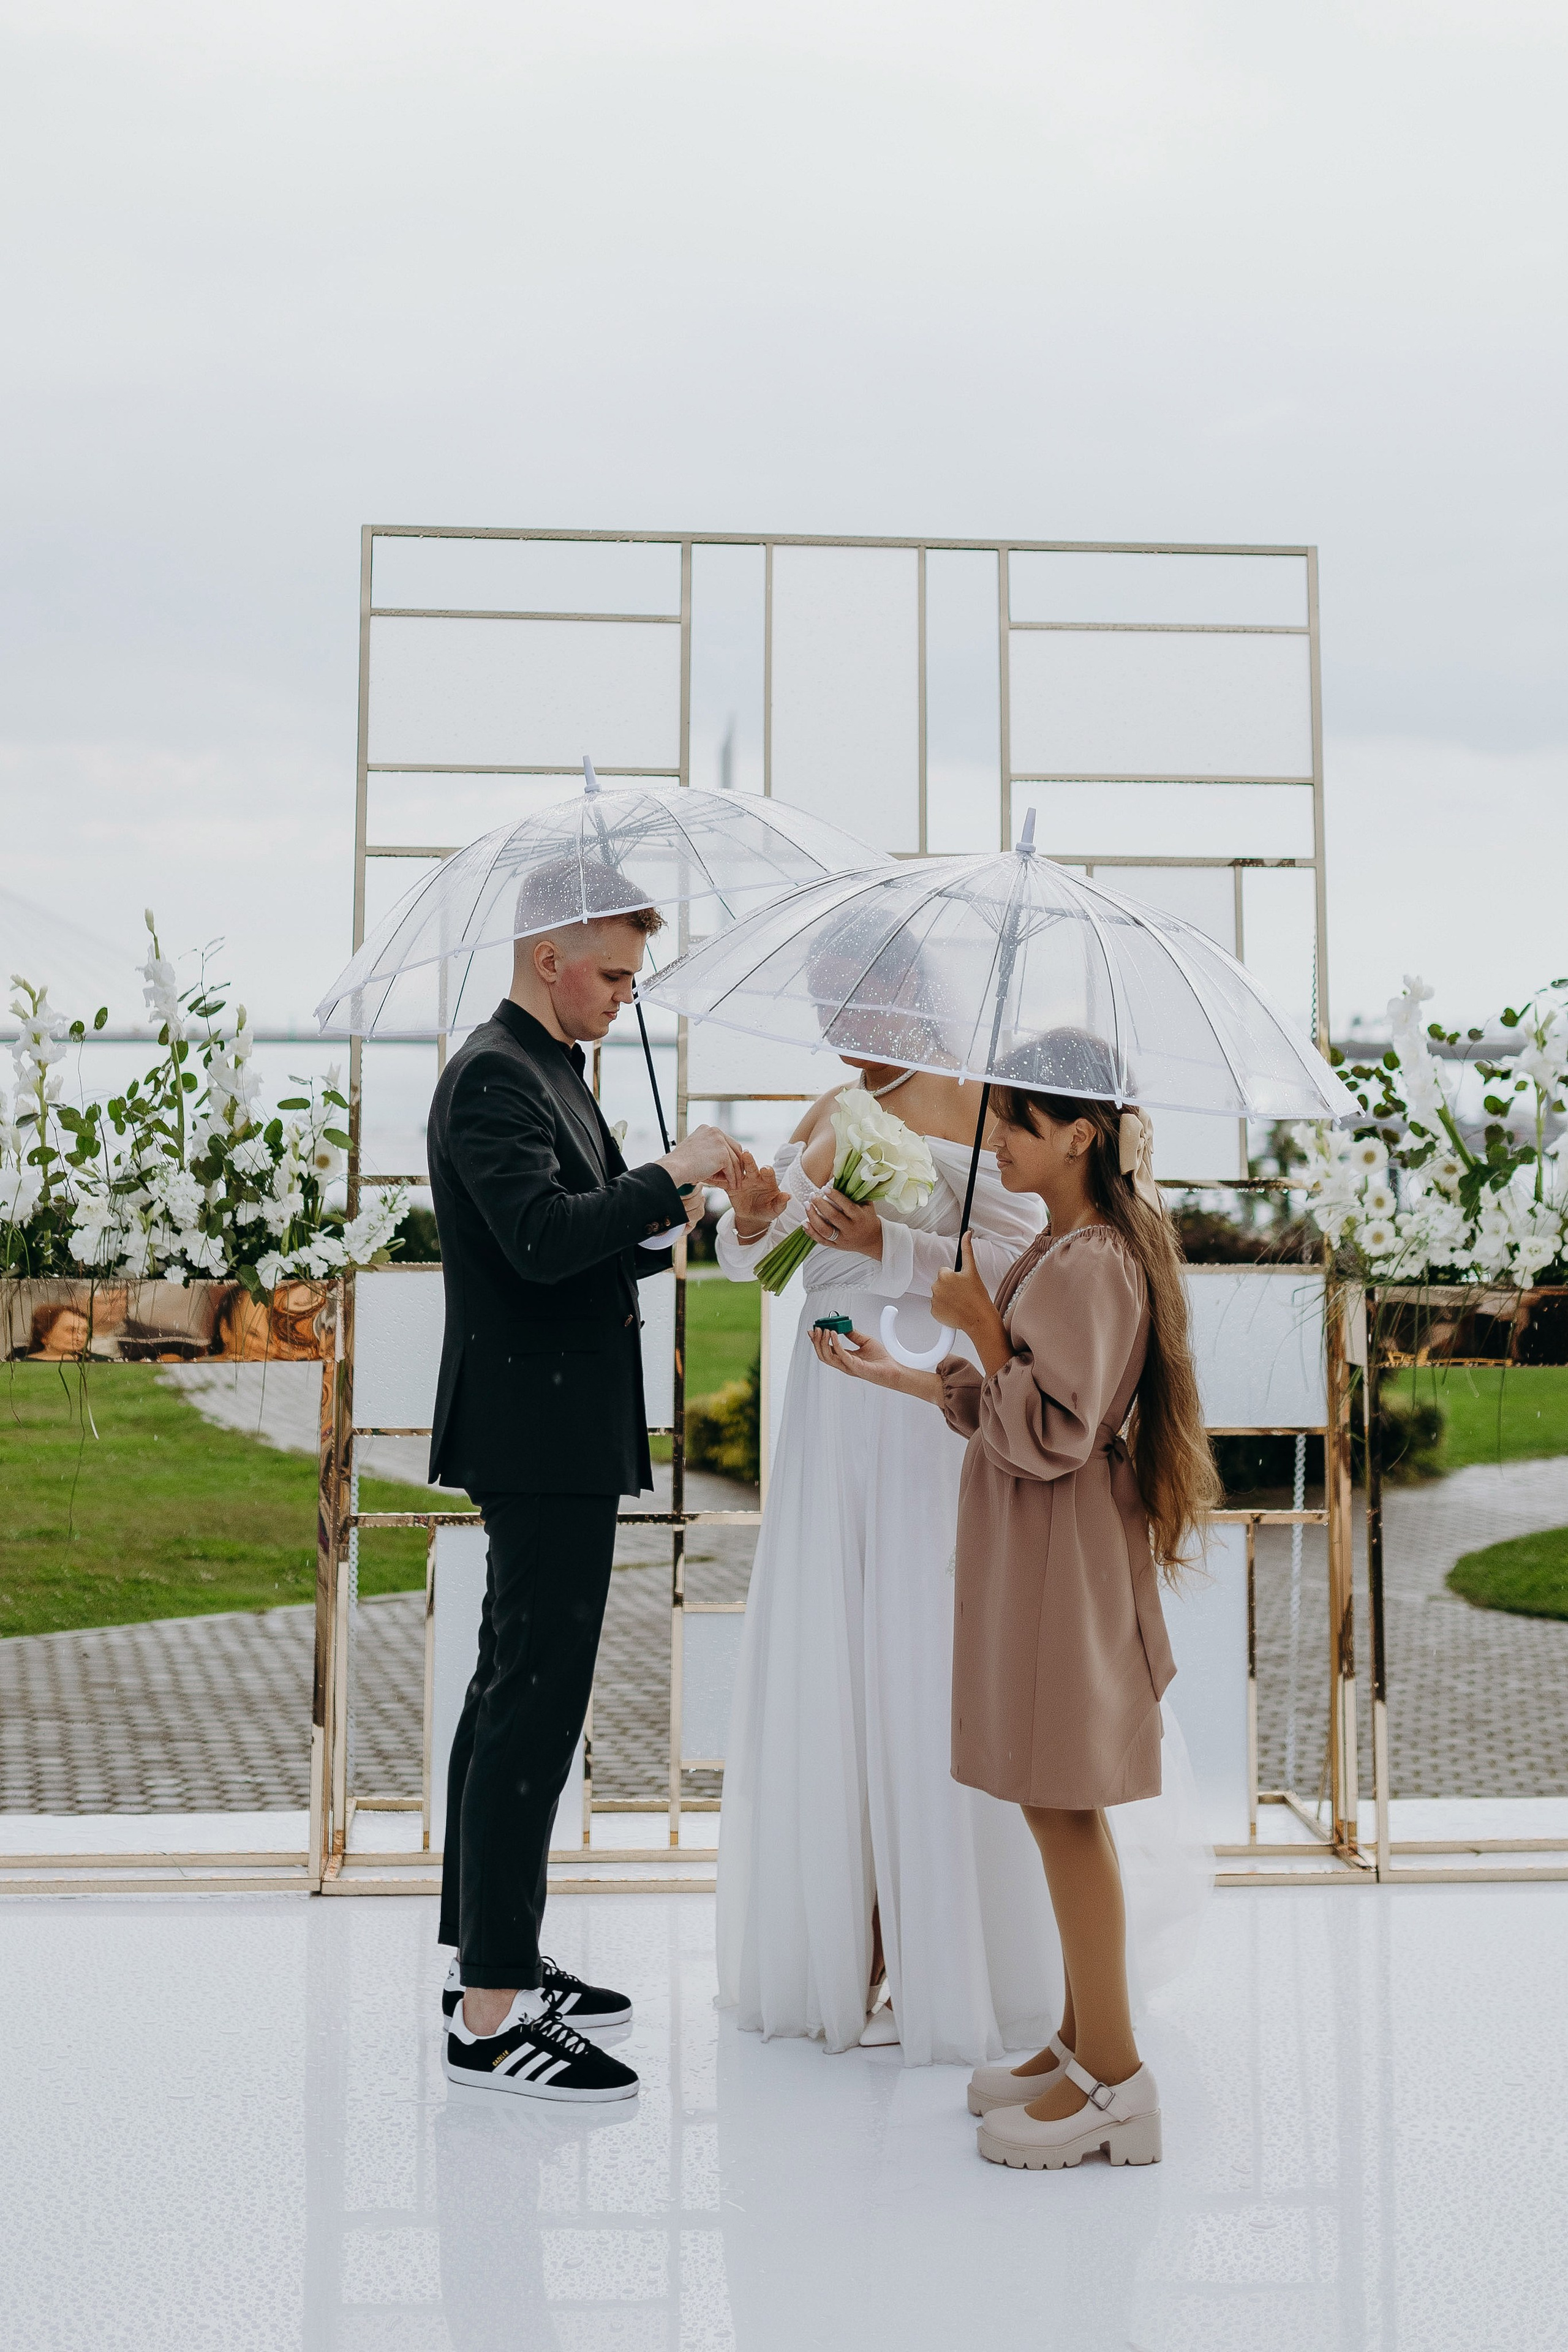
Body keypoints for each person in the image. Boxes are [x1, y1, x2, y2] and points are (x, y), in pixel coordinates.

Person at [812, 1082, 1220, 2170]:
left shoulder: (1094, 1262)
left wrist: (982, 1325)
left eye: (1017, 1126)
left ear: (1080, 1137)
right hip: (1042, 1540)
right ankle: (1084, 2043)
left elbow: (1051, 1431)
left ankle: (1120, 2084)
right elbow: (1011, 1402)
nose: (994, 1141)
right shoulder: (1066, 1245)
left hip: (1063, 1547)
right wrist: (902, 1371)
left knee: (1063, 1803)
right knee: (1052, 1798)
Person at [429, 870, 748, 2106]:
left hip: (558, 1425)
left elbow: (595, 1236)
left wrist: (681, 1205)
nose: (624, 995)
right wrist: (669, 1174)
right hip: (533, 1433)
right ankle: (494, 2014)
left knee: (509, 1685)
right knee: (533, 1705)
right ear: (548, 953)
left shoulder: (555, 1065)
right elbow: (543, 1241)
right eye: (612, 973)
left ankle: (485, 1955)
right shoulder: (496, 1075)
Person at [714, 1059, 1059, 2065]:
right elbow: (759, 1267)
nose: (845, 1033)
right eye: (831, 1009)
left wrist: (891, 1246)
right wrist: (755, 1217)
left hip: (923, 1403)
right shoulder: (826, 1106)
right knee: (837, 1667)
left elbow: (1030, 1259)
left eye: (859, 1001)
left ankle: (947, 1951)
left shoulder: (987, 1107)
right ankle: (841, 1945)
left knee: (921, 1656)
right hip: (829, 1408)